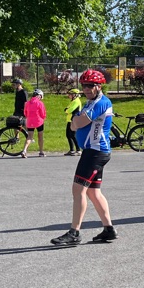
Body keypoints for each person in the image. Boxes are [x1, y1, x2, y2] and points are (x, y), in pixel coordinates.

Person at [51, 69, 117, 246]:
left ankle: (74, 232)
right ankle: (109, 229)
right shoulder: (90, 102)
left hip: (95, 152)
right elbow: (75, 125)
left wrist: (76, 121)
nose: (86, 88)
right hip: (94, 151)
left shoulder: (101, 102)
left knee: (78, 190)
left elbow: (77, 123)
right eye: (83, 85)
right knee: (93, 192)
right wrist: (76, 122)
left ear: (99, 86)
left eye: (89, 85)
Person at [21, 88, 47, 158]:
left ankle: (24, 150)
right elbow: (43, 113)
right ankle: (41, 152)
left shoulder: (27, 103)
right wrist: (43, 118)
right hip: (39, 121)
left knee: (29, 137)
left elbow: (25, 113)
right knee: (40, 136)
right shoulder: (40, 103)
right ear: (39, 96)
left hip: (30, 121)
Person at [64, 87, 82, 155]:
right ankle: (72, 150)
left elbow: (69, 110)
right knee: (68, 135)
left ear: (75, 95)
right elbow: (67, 109)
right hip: (70, 120)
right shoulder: (73, 101)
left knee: (73, 135)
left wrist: (66, 110)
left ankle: (78, 150)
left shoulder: (76, 101)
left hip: (74, 120)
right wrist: (66, 110)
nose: (69, 95)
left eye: (71, 94)